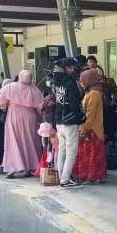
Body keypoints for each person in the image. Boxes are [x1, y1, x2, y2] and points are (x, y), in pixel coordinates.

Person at [0, 70, 43, 178]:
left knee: (14, 141)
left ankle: (17, 167)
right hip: (30, 119)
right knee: (31, 141)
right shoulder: (35, 90)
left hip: (14, 117)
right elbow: (40, 107)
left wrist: (3, 106)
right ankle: (32, 166)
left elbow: (2, 101)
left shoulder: (11, 87)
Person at [51, 58, 85, 188]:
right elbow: (74, 103)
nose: (74, 69)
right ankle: (65, 180)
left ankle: (62, 177)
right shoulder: (70, 83)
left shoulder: (57, 81)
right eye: (72, 67)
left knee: (62, 150)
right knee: (71, 152)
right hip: (70, 122)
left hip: (59, 120)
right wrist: (80, 117)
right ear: (68, 68)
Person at [74, 69, 108, 184]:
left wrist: (84, 128)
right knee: (90, 154)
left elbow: (90, 114)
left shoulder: (94, 94)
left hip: (92, 129)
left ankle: (93, 177)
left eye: (82, 79)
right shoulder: (90, 92)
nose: (81, 82)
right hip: (89, 128)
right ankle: (92, 176)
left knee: (92, 154)